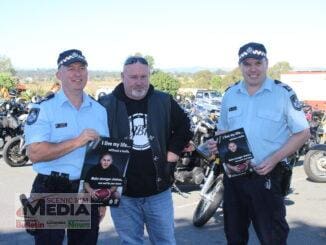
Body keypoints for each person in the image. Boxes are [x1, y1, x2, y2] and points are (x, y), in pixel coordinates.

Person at [209, 42, 310, 245]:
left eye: (258, 63)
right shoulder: (230, 94)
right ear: (240, 66)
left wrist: (273, 160)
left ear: (266, 64)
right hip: (234, 178)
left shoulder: (282, 93)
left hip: (267, 176)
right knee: (234, 236)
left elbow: (303, 132)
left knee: (272, 237)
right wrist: (217, 145)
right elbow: (223, 130)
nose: (253, 69)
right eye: (247, 64)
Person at [99, 56, 193, 245]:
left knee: (165, 241)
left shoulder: (164, 100)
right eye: (133, 77)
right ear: (122, 76)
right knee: (131, 242)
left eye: (144, 76)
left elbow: (185, 125)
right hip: (122, 193)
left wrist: (173, 152)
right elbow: (94, 143)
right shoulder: (105, 105)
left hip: (158, 191)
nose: (139, 82)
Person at [24, 49, 109, 245]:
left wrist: (103, 199)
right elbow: (35, 153)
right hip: (51, 187)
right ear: (59, 74)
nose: (77, 74)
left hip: (86, 190)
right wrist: (77, 142)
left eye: (82, 68)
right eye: (71, 68)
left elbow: (104, 154)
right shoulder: (43, 108)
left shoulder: (99, 111)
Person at [83, 153, 121, 244]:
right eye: (104, 160)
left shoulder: (114, 169)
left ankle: (96, 225)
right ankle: (88, 226)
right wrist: (91, 190)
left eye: (108, 160)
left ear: (111, 161)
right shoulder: (93, 169)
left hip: (107, 192)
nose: (106, 162)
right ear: (100, 160)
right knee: (81, 195)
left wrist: (109, 191)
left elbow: (115, 184)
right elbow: (86, 182)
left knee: (117, 195)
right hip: (94, 190)